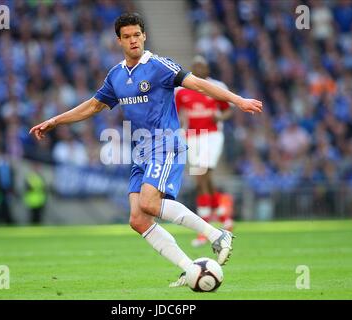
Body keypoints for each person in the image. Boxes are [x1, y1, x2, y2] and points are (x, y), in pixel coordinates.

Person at [29, 12, 263, 287]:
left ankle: (216, 235)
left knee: (149, 203)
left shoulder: (160, 67)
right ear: (119, 41)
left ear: (144, 36)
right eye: (126, 37)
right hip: (141, 150)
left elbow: (198, 84)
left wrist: (238, 100)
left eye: (136, 35)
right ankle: (190, 269)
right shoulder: (116, 75)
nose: (133, 41)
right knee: (138, 219)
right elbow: (93, 106)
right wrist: (55, 120)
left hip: (166, 143)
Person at [175, 55, 234, 247]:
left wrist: (220, 117)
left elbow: (227, 110)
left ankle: (205, 228)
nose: (198, 69)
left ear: (207, 70)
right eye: (195, 66)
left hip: (212, 135)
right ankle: (224, 216)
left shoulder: (216, 87)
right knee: (202, 179)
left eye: (202, 66)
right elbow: (178, 113)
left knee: (201, 176)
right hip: (192, 136)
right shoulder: (182, 91)